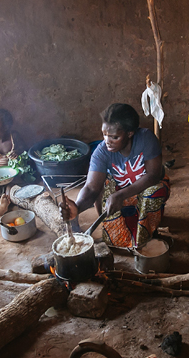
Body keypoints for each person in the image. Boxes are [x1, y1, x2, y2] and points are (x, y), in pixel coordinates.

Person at [60, 103, 171, 249]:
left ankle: (149, 229)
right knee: (104, 192)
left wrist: (120, 195)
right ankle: (126, 223)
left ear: (130, 133)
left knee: (155, 192)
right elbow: (91, 188)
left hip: (145, 189)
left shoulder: (146, 139)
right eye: (104, 134)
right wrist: (78, 207)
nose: (107, 141)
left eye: (114, 137)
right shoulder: (101, 153)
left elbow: (153, 175)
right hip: (123, 193)